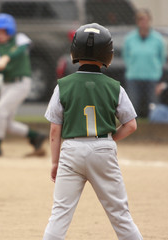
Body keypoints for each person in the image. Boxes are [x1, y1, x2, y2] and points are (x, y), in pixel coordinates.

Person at [42, 23, 143, 240]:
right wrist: (109, 139)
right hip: (103, 149)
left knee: (59, 215)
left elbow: (54, 129)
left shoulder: (63, 85)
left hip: (71, 149)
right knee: (120, 215)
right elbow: (131, 124)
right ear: (107, 53)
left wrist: (55, 162)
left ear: (75, 50)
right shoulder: (114, 86)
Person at [0, 13, 46, 157]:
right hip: (6, 85)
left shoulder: (20, 38)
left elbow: (21, 50)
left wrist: (6, 58)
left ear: (10, 30)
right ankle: (36, 136)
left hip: (21, 83)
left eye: (3, 31)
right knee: (7, 124)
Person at [123, 8, 167, 118]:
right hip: (134, 76)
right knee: (133, 104)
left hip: (152, 77)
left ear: (149, 21)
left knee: (153, 104)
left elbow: (161, 58)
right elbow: (126, 56)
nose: (143, 23)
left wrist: (155, 70)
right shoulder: (130, 39)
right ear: (137, 22)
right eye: (140, 20)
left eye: (145, 20)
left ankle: (155, 126)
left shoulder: (158, 39)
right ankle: (132, 127)